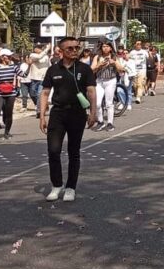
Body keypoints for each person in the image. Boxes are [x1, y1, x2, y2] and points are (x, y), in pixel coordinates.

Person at [40, 36, 97, 202]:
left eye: (76, 48)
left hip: (77, 113)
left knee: (74, 151)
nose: (74, 51)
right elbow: (44, 93)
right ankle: (56, 185)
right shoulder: (53, 70)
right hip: (57, 113)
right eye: (70, 48)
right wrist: (42, 115)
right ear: (61, 51)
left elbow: (91, 91)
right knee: (53, 150)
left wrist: (93, 112)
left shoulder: (84, 69)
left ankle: (71, 187)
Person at [91, 42, 123, 130]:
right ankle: (100, 122)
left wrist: (114, 63)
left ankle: (110, 123)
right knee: (97, 103)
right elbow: (91, 70)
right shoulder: (97, 57)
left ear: (111, 48)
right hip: (99, 81)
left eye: (107, 46)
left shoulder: (114, 57)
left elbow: (121, 69)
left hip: (110, 81)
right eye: (103, 46)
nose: (105, 48)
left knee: (109, 103)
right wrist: (99, 65)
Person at [0, 48, 19, 141]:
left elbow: (24, 74)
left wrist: (29, 65)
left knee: (8, 113)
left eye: (9, 56)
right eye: (7, 56)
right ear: (2, 57)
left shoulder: (14, 67)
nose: (9, 57)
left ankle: (7, 132)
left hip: (11, 92)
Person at [26, 43, 51, 114]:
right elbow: (39, 57)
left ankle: (39, 110)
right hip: (34, 78)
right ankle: (42, 104)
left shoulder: (46, 56)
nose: (39, 49)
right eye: (37, 47)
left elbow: (49, 65)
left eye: (40, 48)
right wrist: (47, 49)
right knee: (32, 94)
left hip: (43, 78)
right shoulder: (32, 55)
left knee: (39, 94)